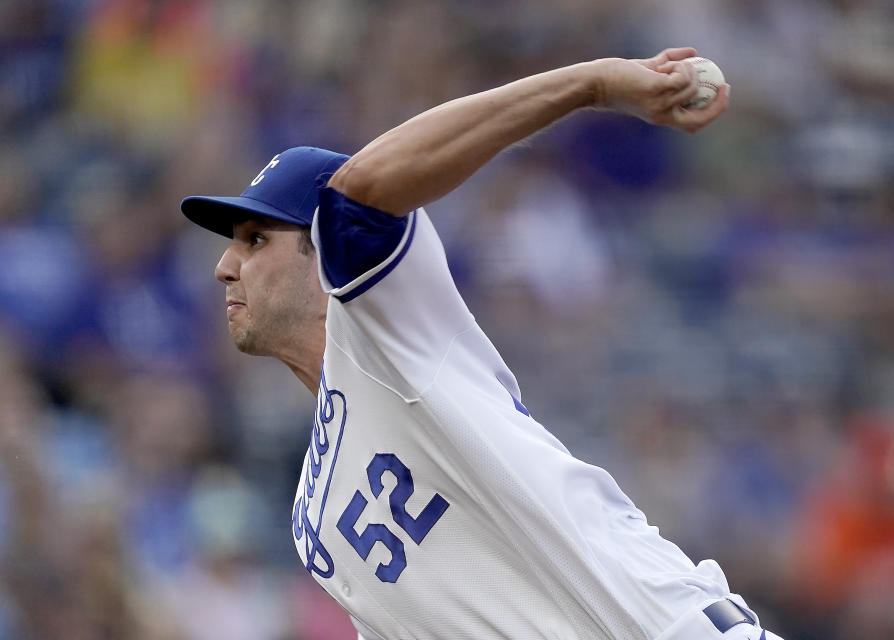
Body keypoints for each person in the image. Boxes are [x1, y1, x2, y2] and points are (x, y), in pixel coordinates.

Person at [181, 49, 784, 640]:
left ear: (324, 258)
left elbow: (356, 196)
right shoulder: (311, 516)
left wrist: (593, 84)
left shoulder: (386, 326)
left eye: (256, 239)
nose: (225, 266)